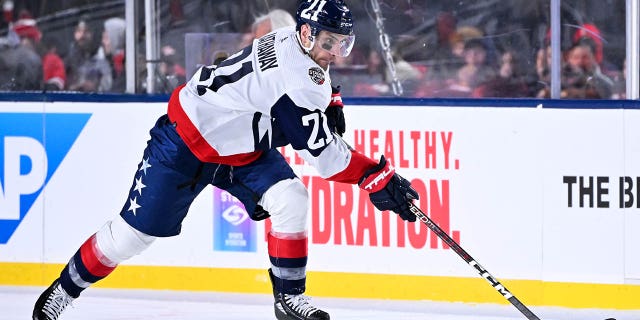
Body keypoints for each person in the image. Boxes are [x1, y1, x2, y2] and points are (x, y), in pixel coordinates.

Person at [32, 1, 419, 320]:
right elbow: (326, 158)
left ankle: (288, 298)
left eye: (343, 44)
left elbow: (293, 88)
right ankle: (63, 291)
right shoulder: (299, 78)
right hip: (184, 143)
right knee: (130, 238)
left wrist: (329, 97)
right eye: (329, 42)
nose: (335, 53)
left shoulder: (287, 39)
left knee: (291, 199)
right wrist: (376, 175)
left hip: (237, 145)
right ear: (305, 33)